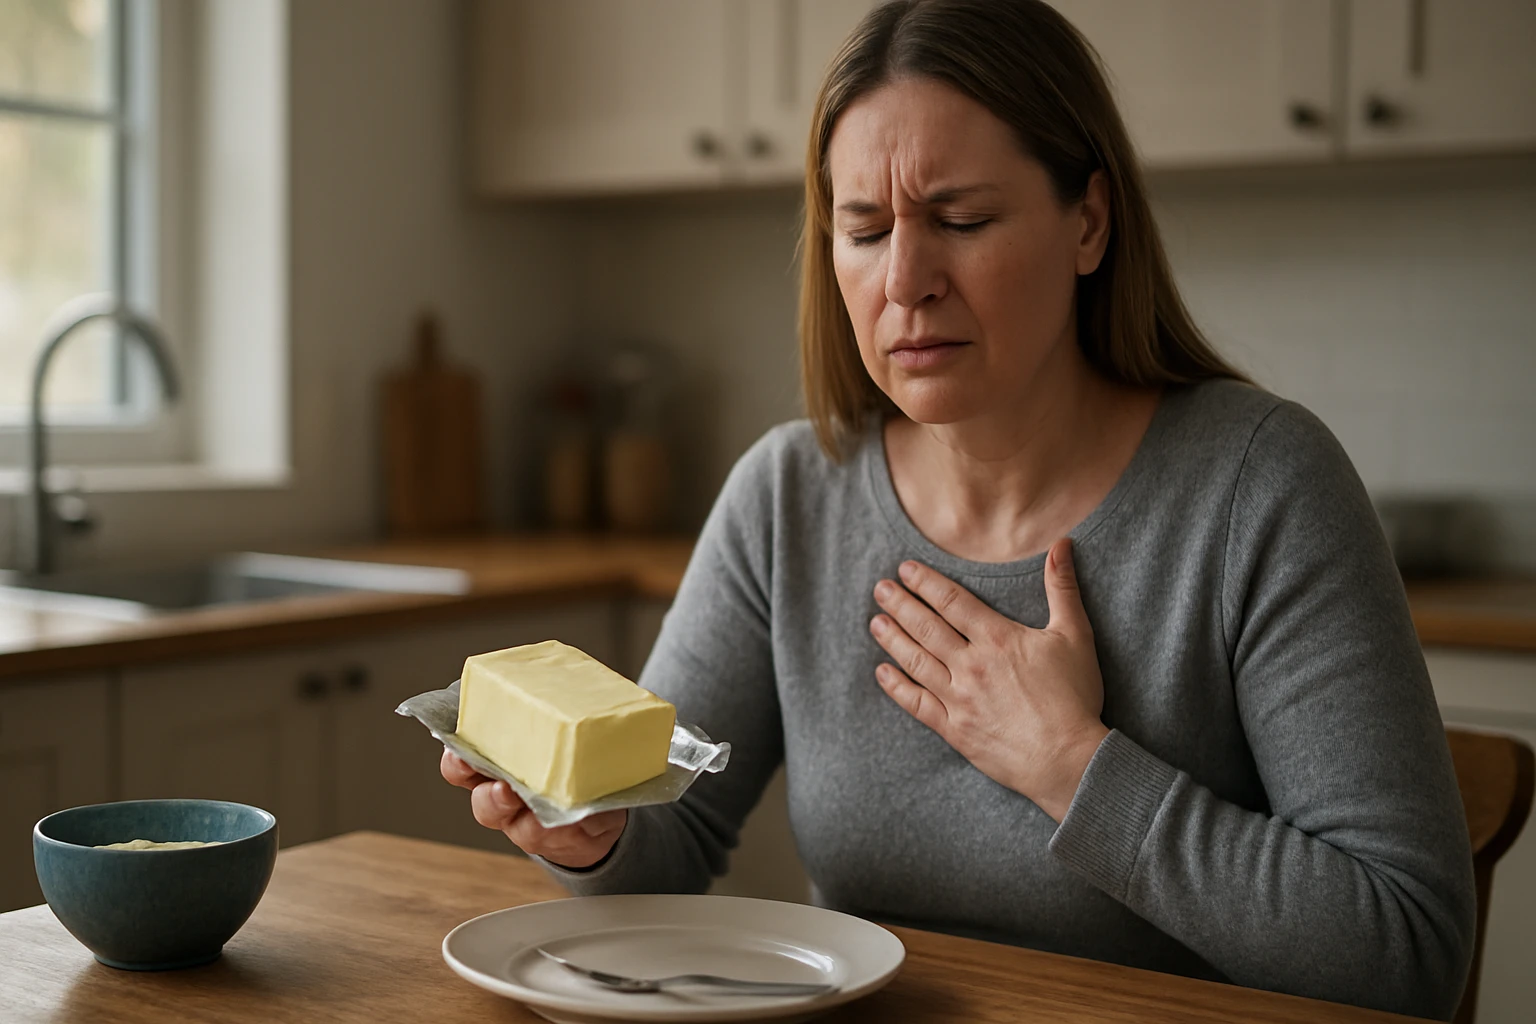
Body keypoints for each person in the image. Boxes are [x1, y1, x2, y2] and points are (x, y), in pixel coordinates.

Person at [441, 1, 1475, 1017]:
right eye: (864, 229)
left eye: (961, 220)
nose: (906, 280)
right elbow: (664, 847)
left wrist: (1070, 764)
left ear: (1089, 222)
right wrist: (593, 835)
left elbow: (1407, 950)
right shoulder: (787, 496)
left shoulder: (1259, 485)